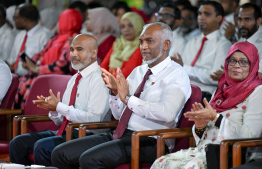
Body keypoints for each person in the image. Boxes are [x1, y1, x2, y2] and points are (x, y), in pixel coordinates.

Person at [51, 22, 191, 169]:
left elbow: (168, 114)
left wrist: (129, 99)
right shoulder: (138, 71)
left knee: (89, 159)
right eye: (141, 41)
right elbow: (119, 115)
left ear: (166, 44)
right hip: (122, 133)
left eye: (149, 41)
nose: (143, 47)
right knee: (60, 154)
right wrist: (115, 94)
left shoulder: (177, 74)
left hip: (151, 140)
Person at [151, 41, 262, 169]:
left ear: (252, 65)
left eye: (243, 62)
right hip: (207, 151)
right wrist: (200, 126)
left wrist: (216, 118)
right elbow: (206, 134)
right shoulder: (221, 90)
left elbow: (250, 135)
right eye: (232, 61)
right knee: (161, 162)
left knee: (190, 167)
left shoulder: (258, 91)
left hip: (234, 154)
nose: (236, 66)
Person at [9, 34, 110, 166]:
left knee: (42, 147)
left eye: (79, 49)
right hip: (67, 131)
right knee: (17, 143)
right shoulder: (74, 79)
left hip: (88, 135)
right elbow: (61, 121)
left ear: (93, 53)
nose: (73, 54)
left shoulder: (99, 79)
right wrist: (54, 110)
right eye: (72, 50)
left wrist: (60, 107)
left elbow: (94, 120)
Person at [15, 9, 83, 109]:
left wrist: (38, 69)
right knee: (20, 84)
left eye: (60, 21)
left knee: (30, 92)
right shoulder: (55, 38)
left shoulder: (74, 40)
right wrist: (31, 63)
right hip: (42, 75)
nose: (58, 24)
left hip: (55, 80)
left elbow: (63, 66)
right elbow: (41, 54)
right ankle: (16, 119)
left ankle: (23, 119)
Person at [172, 1, 232, 102]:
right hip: (182, 91)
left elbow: (214, 77)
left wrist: (184, 67)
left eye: (207, 14)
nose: (201, 17)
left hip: (203, 96)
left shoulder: (224, 45)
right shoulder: (192, 41)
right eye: (200, 14)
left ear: (218, 18)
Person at [6, 3, 51, 76]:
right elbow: (12, 59)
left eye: (16, 18)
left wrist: (31, 65)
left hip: (33, 79)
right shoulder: (20, 35)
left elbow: (46, 64)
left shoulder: (45, 36)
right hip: (15, 77)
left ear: (24, 20)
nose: (14, 21)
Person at [100, 12, 144, 78]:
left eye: (130, 25)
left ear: (138, 26)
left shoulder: (140, 48)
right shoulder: (118, 43)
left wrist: (105, 81)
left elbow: (126, 74)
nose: (126, 29)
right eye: (123, 27)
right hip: (108, 82)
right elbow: (103, 66)